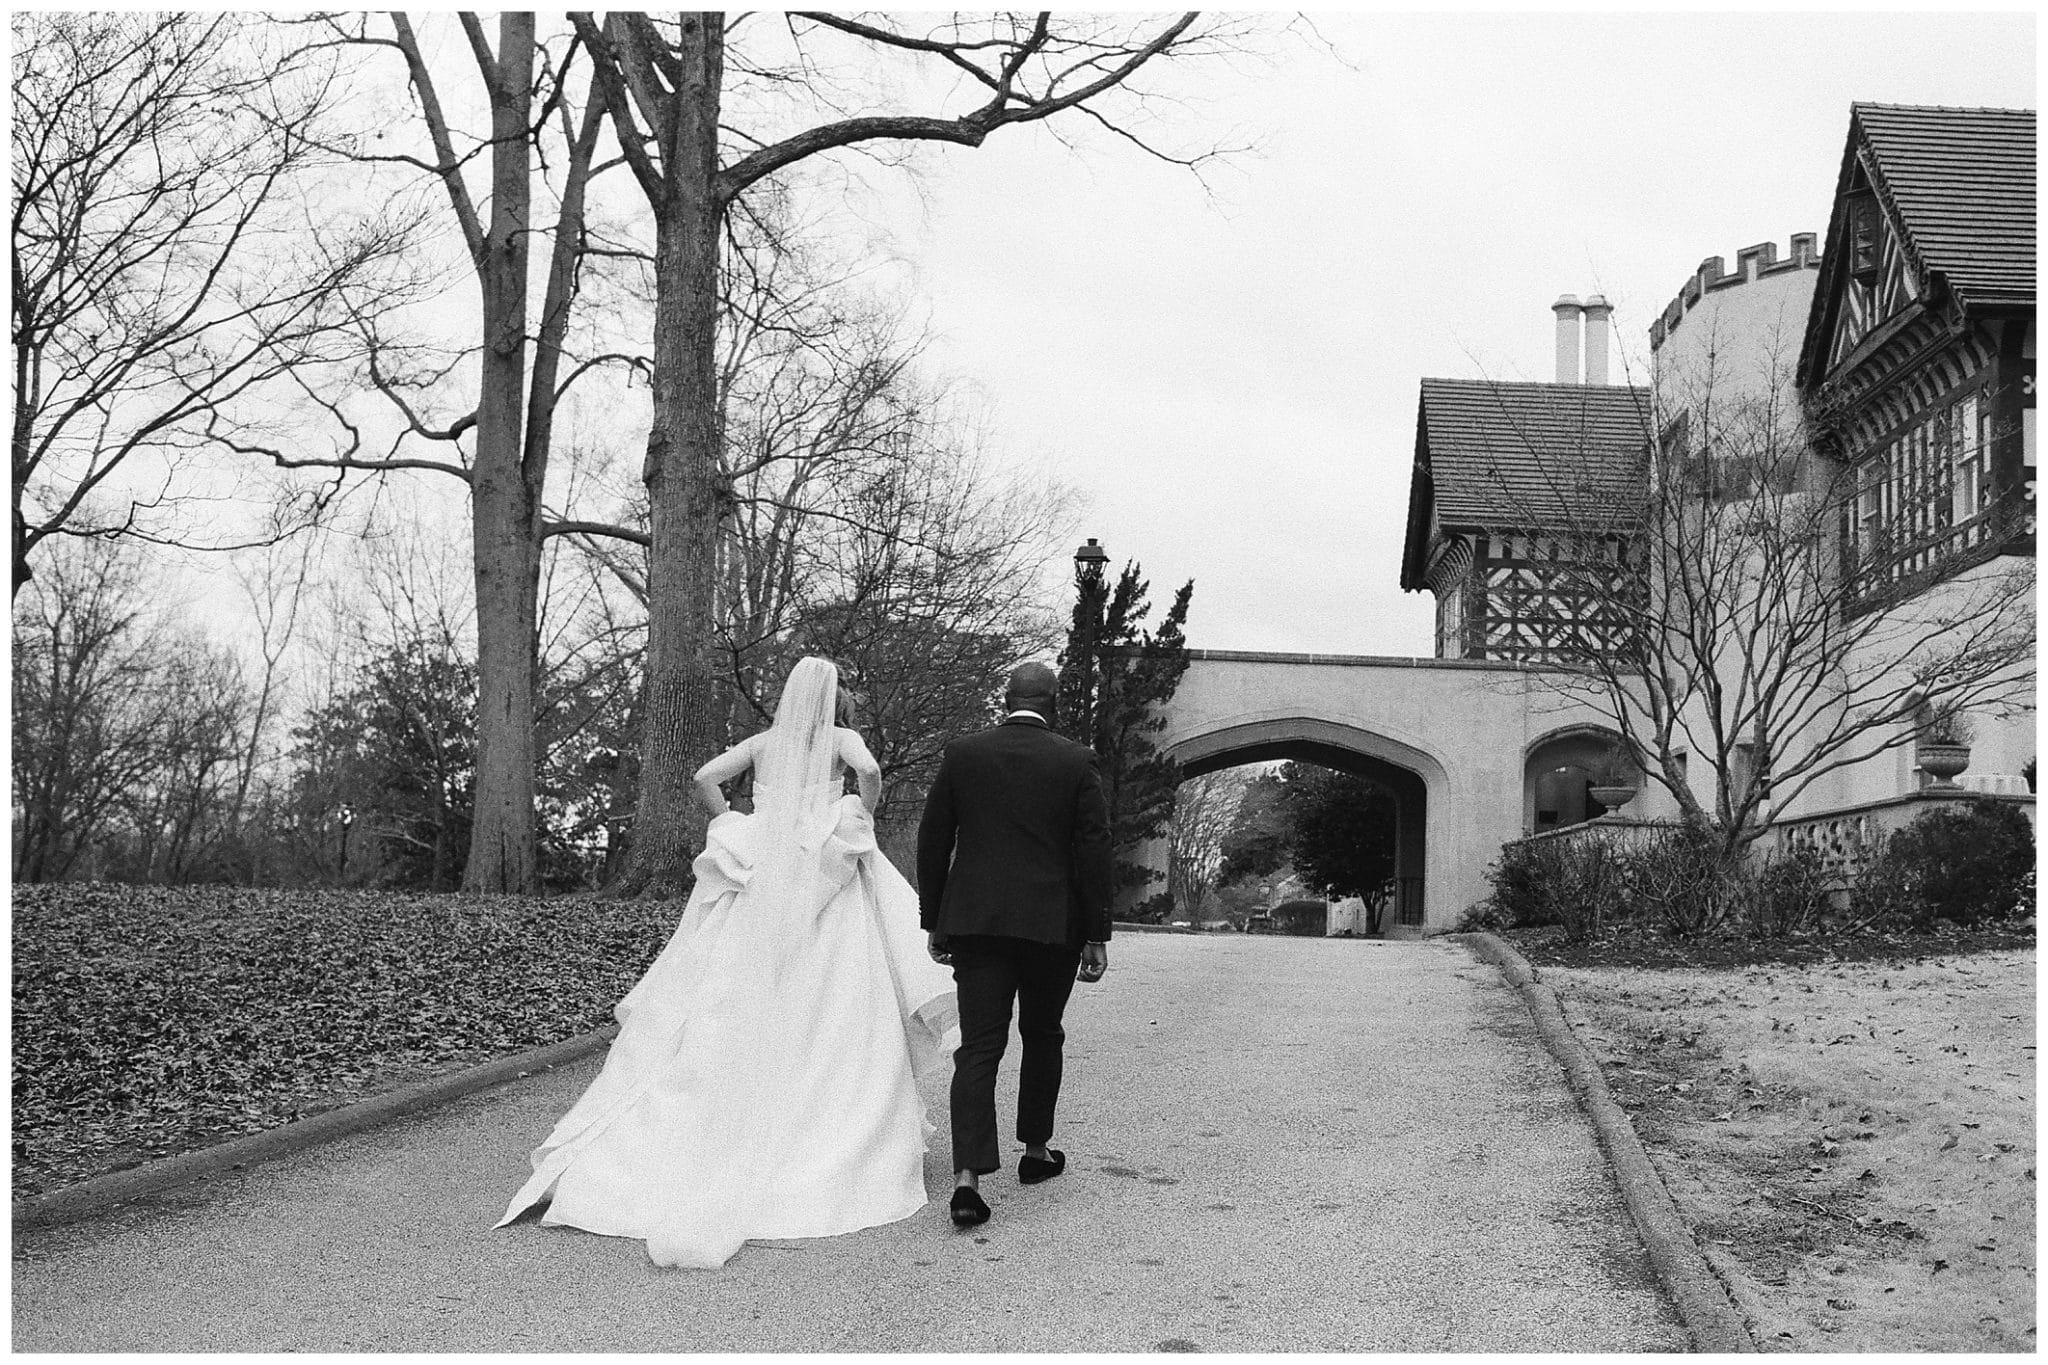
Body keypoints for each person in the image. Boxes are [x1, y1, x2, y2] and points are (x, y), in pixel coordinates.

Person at [496, 657, 958, 1268]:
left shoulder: (765, 742)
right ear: (834, 699)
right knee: (834, 1006)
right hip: (824, 872)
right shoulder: (842, 741)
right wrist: (857, 809)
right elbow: (869, 771)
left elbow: (704, 776)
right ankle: (827, 1131)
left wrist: (737, 821)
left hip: (760, 874)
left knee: (725, 993)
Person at [917, 660, 1114, 1227]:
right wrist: (1096, 933)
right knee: (1042, 1033)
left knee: (979, 1046)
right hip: (1053, 927)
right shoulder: (1076, 761)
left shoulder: (964, 753)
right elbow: (1093, 850)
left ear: (1007, 699)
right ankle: (1034, 1152)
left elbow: (935, 839)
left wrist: (937, 919)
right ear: (1053, 703)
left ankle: (967, 1180)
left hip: (977, 923)